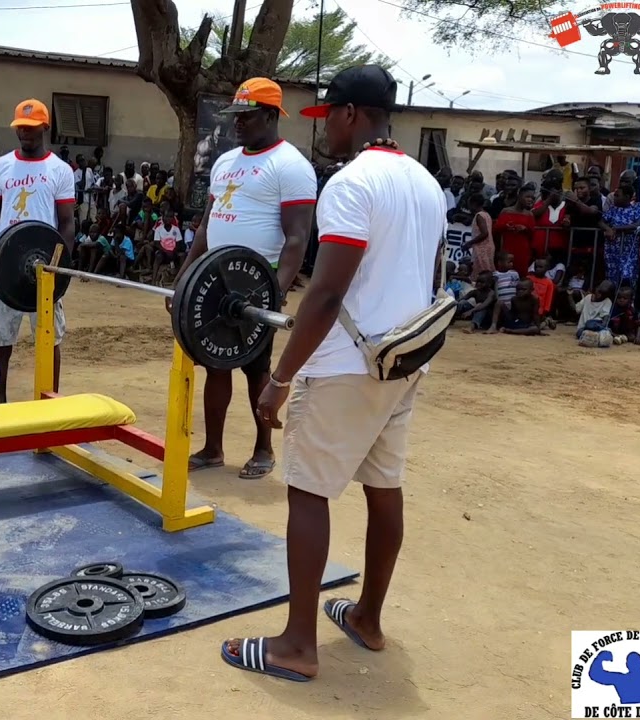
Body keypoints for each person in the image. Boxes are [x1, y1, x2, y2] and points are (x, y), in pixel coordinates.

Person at [231, 65, 445, 682]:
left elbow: (325, 294)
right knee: (384, 488)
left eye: (329, 118)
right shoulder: (427, 185)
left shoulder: (351, 185)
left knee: (309, 491)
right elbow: (424, 278)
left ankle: (297, 646)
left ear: (351, 113)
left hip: (348, 366)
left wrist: (279, 379)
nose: (326, 132)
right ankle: (368, 620)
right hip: (403, 360)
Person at [169, 77, 317, 479]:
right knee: (215, 363)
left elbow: (297, 239)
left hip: (255, 283)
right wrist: (184, 278)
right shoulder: (225, 162)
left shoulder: (291, 167)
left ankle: (263, 449)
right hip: (215, 278)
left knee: (256, 369)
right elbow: (206, 226)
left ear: (271, 116)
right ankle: (213, 449)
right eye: (235, 115)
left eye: (246, 116)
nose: (237, 123)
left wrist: (274, 292)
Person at [0, 98, 76, 404]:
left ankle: (48, 402)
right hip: (6, 262)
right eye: (20, 128)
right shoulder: (2, 165)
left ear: (44, 127)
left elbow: (67, 223)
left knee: (48, 337)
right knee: (0, 337)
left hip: (43, 265)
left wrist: (58, 266)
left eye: (30, 128)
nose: (24, 134)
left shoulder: (60, 170)